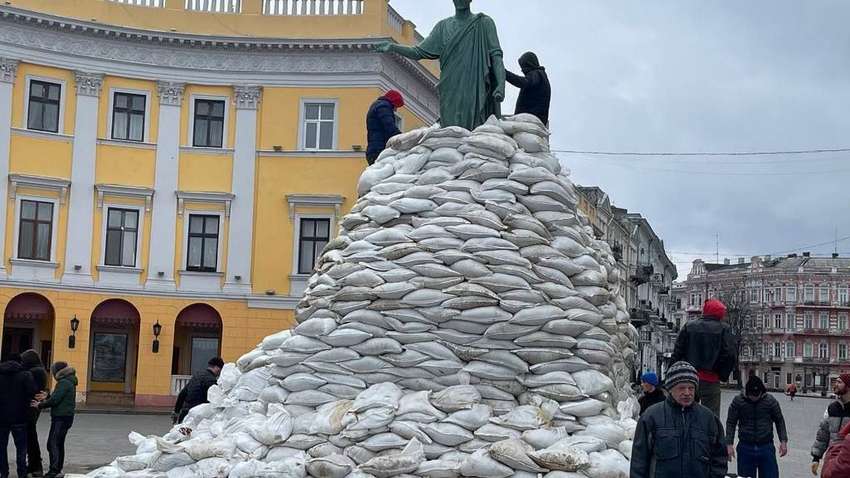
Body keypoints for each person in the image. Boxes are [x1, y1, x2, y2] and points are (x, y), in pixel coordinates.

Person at [376, 0, 505, 130]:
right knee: (450, 128)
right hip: (450, 86)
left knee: (474, 128)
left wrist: (500, 84)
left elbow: (496, 55)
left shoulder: (484, 23)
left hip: (474, 84)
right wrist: (392, 47)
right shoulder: (443, 27)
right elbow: (418, 52)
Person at [631, 361, 728, 478]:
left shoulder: (709, 419)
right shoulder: (651, 417)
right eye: (681, 388)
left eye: (691, 388)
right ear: (670, 389)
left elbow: (719, 459)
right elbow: (639, 462)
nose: (687, 393)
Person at [670, 298, 737, 416]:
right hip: (711, 379)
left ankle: (686, 433)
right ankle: (709, 434)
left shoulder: (689, 326)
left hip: (688, 378)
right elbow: (730, 355)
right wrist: (722, 374)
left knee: (684, 412)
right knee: (711, 416)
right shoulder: (724, 329)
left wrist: (672, 374)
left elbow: (678, 352)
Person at [725, 375, 788, 478]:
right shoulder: (738, 401)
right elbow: (731, 422)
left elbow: (779, 420)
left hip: (766, 446)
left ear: (762, 392)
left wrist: (783, 441)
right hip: (745, 447)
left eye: (757, 395)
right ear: (747, 392)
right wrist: (729, 444)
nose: (754, 398)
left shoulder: (770, 401)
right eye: (751, 395)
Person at [34, 362, 77, 478]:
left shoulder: (63, 383)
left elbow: (55, 400)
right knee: (59, 443)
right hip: (66, 417)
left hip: (60, 418)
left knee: (52, 443)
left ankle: (54, 471)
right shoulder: (69, 381)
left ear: (57, 372)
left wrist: (39, 405)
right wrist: (47, 397)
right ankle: (58, 469)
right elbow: (58, 397)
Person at [0, 354, 36, 478]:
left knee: (1, 447)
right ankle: (22, 473)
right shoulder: (25, 375)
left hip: (1, 417)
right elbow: (32, 392)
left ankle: (3, 473)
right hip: (20, 416)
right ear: (20, 362)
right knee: (21, 448)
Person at [812, 374, 850, 476]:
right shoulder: (832, 408)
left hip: (847, 462)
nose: (835, 384)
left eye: (839, 382)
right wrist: (816, 458)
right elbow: (823, 434)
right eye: (835, 382)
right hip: (831, 460)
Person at [173, 357, 225, 423]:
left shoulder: (196, 376)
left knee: (181, 432)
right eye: (221, 369)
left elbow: (182, 394)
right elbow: (215, 399)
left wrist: (176, 411)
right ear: (217, 368)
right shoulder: (211, 380)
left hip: (185, 413)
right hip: (198, 415)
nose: (220, 373)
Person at [505, 51, 551, 125]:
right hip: (533, 120)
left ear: (529, 64)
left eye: (523, 66)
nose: (522, 70)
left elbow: (523, 82)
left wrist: (505, 73)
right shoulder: (541, 76)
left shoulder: (537, 74)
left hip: (530, 119)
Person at [21, 349, 47, 478]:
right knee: (30, 436)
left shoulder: (34, 372)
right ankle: (33, 464)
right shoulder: (39, 370)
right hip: (34, 406)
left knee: (30, 436)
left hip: (31, 406)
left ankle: (36, 465)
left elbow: (32, 389)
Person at [365, 90, 403, 165]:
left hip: (374, 149)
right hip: (379, 149)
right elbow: (389, 126)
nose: (395, 109)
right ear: (393, 102)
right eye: (396, 106)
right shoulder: (383, 107)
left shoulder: (378, 105)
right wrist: (401, 138)